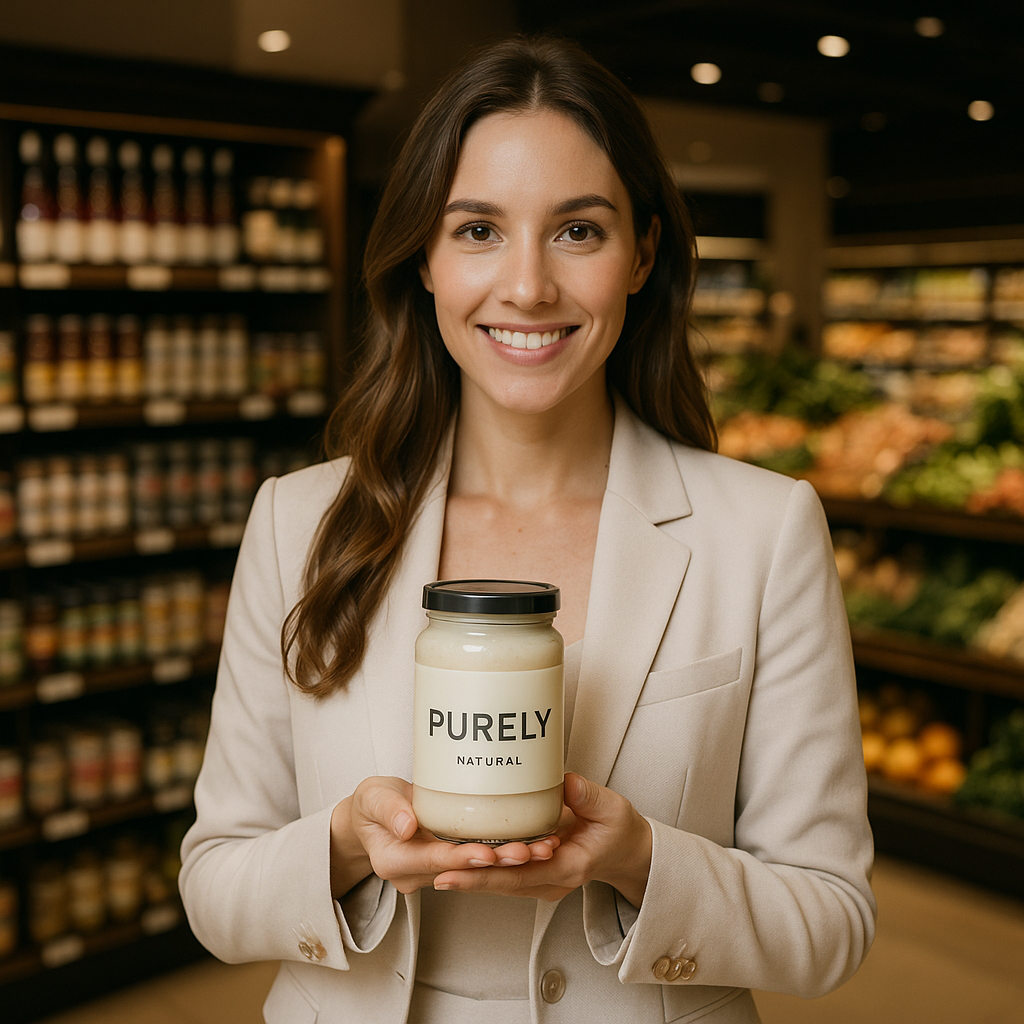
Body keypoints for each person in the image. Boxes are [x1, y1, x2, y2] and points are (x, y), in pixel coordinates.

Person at [179, 34, 876, 1024]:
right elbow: (214, 887)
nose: (527, 286)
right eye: (476, 230)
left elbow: (831, 918)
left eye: (576, 232)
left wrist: (639, 859)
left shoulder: (762, 530)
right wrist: (343, 842)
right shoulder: (302, 521)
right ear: (422, 256)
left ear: (641, 253)